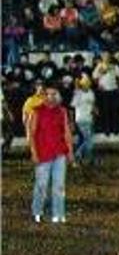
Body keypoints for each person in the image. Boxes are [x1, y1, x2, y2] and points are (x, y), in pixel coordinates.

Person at [28, 85, 73, 223]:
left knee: (59, 185)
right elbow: (32, 134)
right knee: (41, 185)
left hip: (59, 152)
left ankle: (58, 213)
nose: (51, 97)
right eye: (48, 94)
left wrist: (70, 151)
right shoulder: (36, 112)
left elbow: (66, 132)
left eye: (54, 94)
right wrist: (34, 153)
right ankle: (37, 211)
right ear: (43, 96)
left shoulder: (62, 111)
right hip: (43, 153)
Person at [70, 74, 97, 166]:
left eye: (88, 83)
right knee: (88, 140)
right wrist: (72, 121)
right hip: (81, 119)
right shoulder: (78, 94)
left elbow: (93, 106)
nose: (87, 85)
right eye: (86, 83)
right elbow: (72, 108)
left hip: (88, 118)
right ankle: (77, 155)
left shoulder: (91, 93)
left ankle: (83, 159)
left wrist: (94, 114)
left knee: (83, 140)